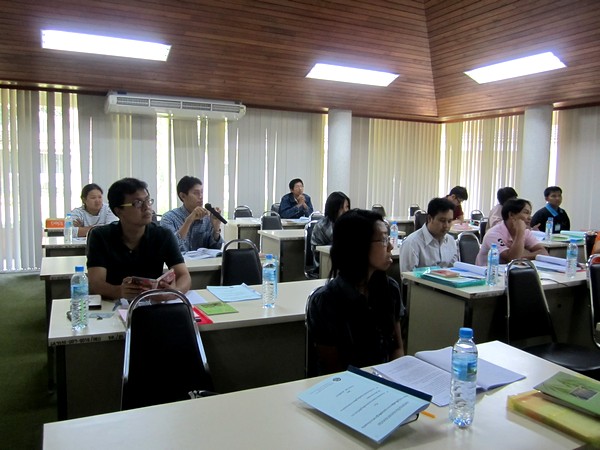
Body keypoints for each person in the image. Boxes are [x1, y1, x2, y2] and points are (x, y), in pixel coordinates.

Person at [306, 209, 404, 375]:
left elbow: (397, 348)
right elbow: (334, 370)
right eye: (383, 240)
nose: (390, 246)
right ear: (358, 245)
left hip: (385, 381)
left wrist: (395, 379)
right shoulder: (326, 301)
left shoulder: (390, 288)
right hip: (346, 385)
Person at [87, 177, 191, 300]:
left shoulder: (163, 235)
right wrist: (119, 291)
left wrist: (173, 293)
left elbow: (184, 276)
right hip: (112, 305)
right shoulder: (100, 236)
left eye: (148, 201)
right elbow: (95, 284)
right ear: (119, 211)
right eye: (138, 203)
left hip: (152, 304)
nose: (147, 207)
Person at [160, 176, 224, 253]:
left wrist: (216, 228)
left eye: (202, 192)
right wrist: (188, 221)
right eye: (196, 193)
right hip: (179, 261)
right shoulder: (168, 218)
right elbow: (170, 247)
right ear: (183, 196)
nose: (201, 196)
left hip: (203, 261)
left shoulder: (207, 217)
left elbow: (216, 249)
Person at [476, 198, 548, 265]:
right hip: (487, 272)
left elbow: (543, 252)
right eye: (526, 213)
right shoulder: (493, 234)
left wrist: (521, 256)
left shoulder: (525, 231)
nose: (530, 218)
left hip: (512, 271)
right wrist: (520, 233)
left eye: (530, 213)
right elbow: (511, 258)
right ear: (511, 215)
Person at [399, 197, 459, 272]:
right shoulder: (412, 243)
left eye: (449, 221)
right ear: (430, 218)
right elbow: (407, 277)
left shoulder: (451, 241)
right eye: (442, 221)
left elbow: (455, 270)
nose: (446, 226)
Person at [310, 191, 350, 266]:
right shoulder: (322, 226)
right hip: (325, 263)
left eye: (347, 207)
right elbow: (318, 254)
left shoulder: (350, 223)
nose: (345, 210)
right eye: (341, 208)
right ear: (333, 208)